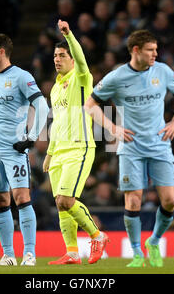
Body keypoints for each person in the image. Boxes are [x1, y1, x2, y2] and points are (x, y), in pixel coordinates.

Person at [84, 29, 174, 267]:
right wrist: (112, 128)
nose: (156, 54)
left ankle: (153, 241)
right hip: (131, 147)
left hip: (159, 146)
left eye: (156, 49)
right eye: (150, 50)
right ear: (136, 50)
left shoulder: (162, 71)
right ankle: (136, 253)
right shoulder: (117, 77)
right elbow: (89, 105)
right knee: (133, 201)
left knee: (170, 201)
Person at [0, 33, 49, 267]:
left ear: (1, 51)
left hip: (14, 149)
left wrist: (31, 137)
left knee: (22, 198)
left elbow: (42, 105)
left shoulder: (21, 77)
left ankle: (29, 254)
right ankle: (8, 255)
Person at [43, 20, 109, 265]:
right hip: (58, 152)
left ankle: (98, 236)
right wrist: (49, 153)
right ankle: (71, 251)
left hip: (79, 148)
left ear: (71, 59)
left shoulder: (81, 78)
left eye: (62, 55)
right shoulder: (55, 88)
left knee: (65, 200)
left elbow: (82, 60)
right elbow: (57, 123)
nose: (57, 59)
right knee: (61, 206)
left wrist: (69, 35)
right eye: (55, 55)